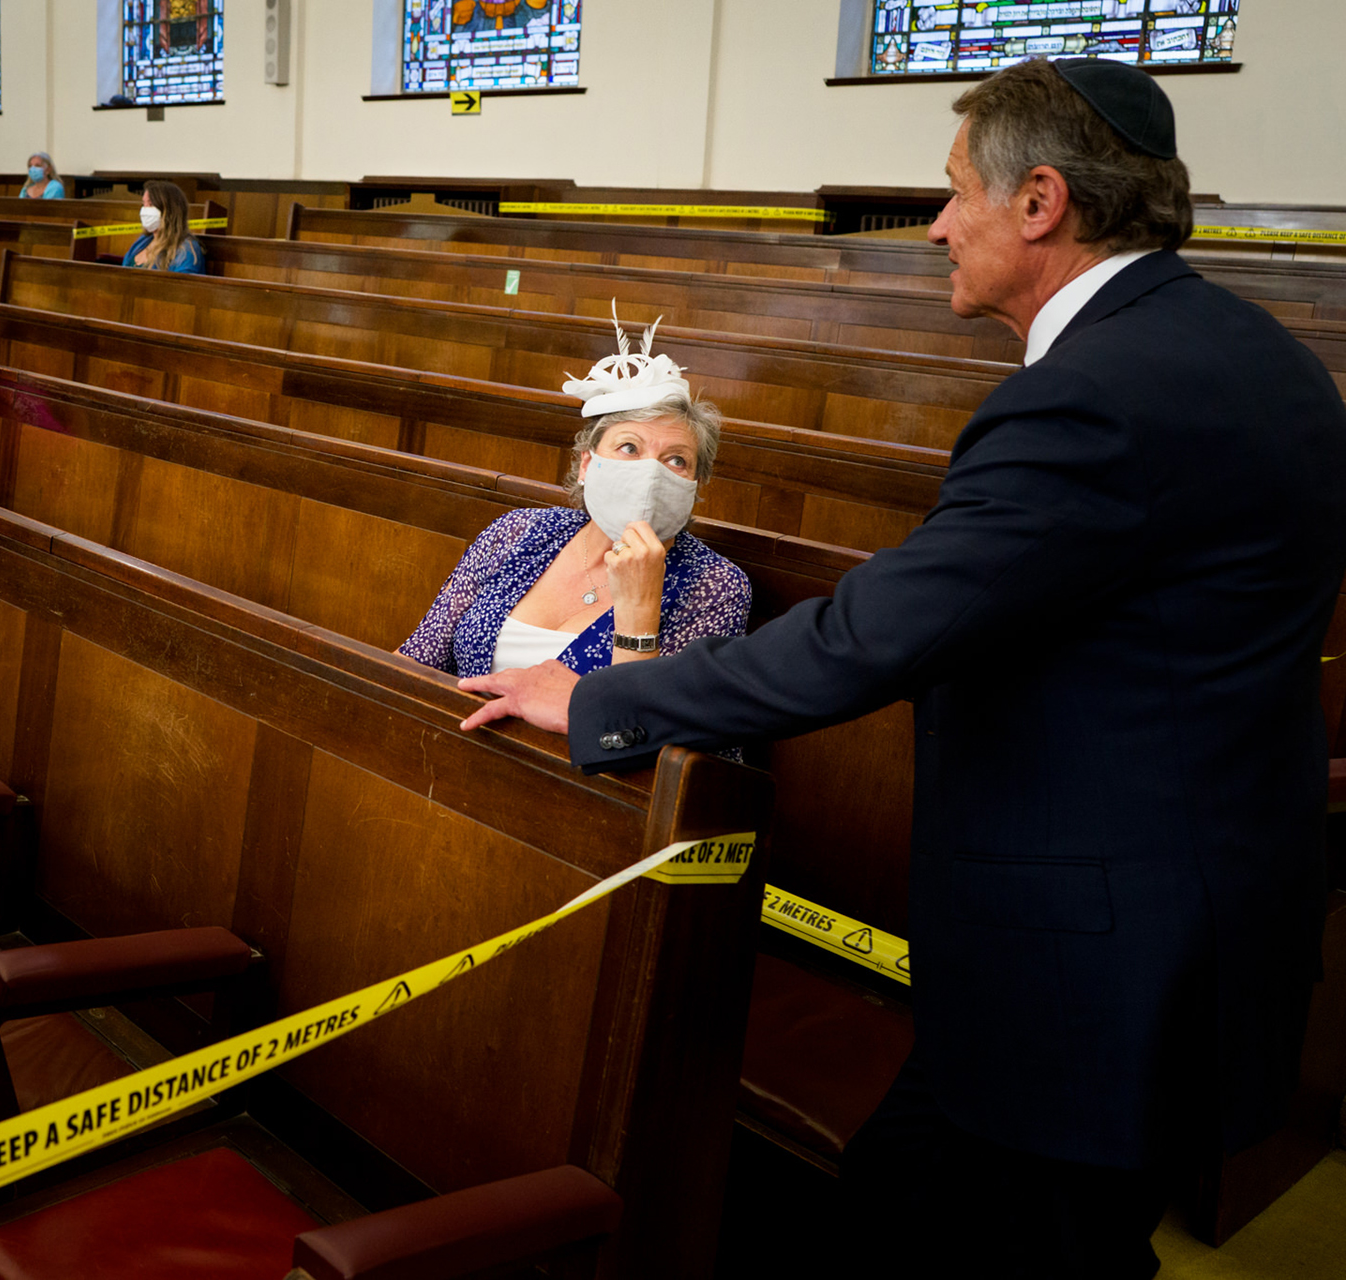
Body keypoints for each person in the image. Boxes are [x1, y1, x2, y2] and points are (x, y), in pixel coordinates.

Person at [456, 58, 1346, 1278]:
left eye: (951, 192)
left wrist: (602, 694)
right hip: (1189, 909)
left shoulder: (1097, 393)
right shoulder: (1252, 353)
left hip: (1094, 955)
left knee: (1021, 1238)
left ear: (1039, 202)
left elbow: (881, 633)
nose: (935, 224)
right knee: (930, 1199)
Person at [400, 312, 749, 685]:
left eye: (676, 460)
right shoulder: (517, 531)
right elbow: (416, 659)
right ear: (587, 464)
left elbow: (655, 731)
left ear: (695, 485)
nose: (650, 473)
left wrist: (640, 606)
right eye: (629, 447)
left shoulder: (714, 586)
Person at [121, 180, 205, 274]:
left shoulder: (186, 250)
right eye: (144, 204)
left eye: (151, 204)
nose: (144, 210)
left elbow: (183, 286)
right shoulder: (144, 240)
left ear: (169, 210)